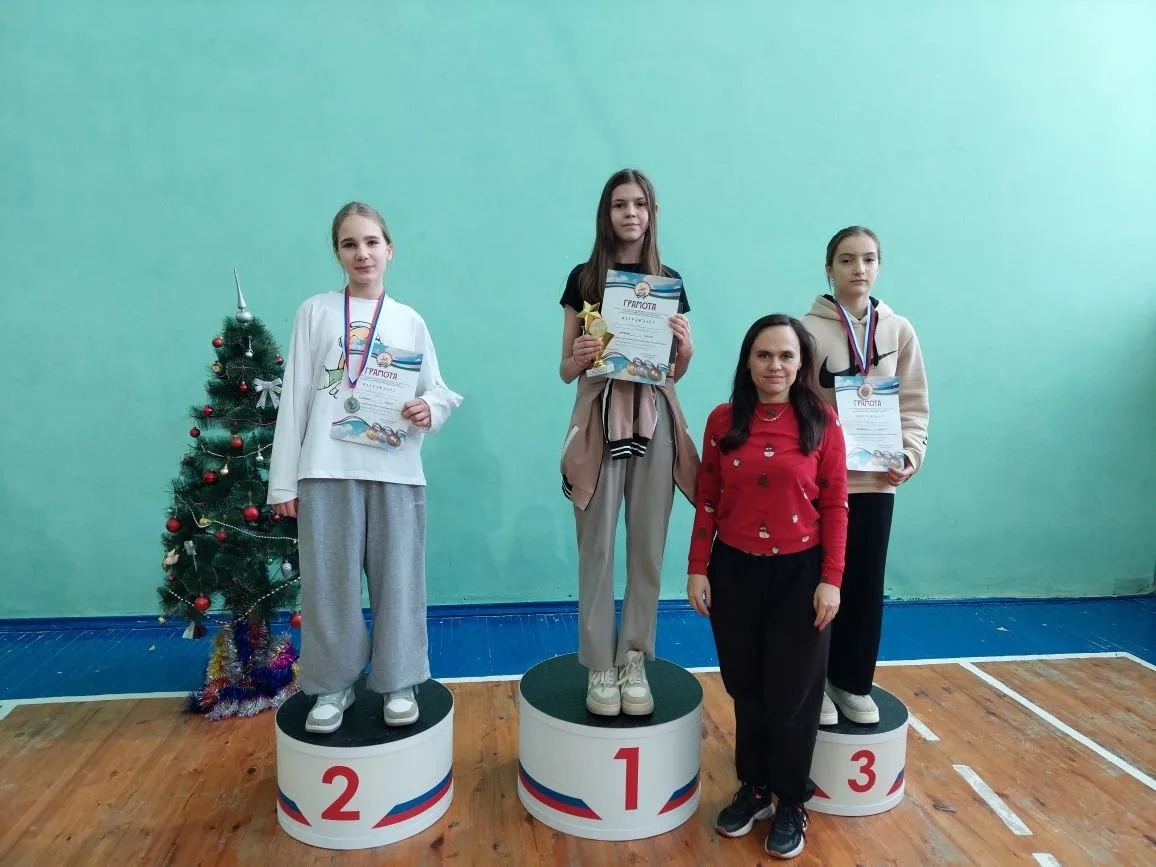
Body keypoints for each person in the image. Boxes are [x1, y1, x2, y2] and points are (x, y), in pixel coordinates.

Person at [268, 202, 462, 734]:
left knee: (400, 581)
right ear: (337, 253)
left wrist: (429, 409)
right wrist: (283, 481)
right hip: (325, 469)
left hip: (395, 472)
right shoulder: (315, 312)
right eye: (350, 244)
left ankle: (399, 681)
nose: (362, 253)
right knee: (328, 584)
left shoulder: (409, 320)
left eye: (372, 242)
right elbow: (295, 396)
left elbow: (438, 391)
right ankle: (332, 685)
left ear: (389, 249)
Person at [687, 314, 847, 859]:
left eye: (785, 356)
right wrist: (698, 566)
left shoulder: (822, 421)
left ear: (801, 364)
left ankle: (792, 800)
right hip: (734, 572)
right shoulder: (722, 420)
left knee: (792, 695)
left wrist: (831, 580)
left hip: (800, 577)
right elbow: (708, 497)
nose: (774, 366)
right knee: (746, 687)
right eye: (764, 355)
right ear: (748, 361)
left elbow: (836, 505)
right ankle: (754, 788)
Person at [559, 168, 699, 716]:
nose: (630, 213)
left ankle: (634, 658)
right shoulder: (584, 279)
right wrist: (580, 356)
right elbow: (565, 369)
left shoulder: (669, 281)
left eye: (639, 204)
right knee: (596, 547)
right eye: (620, 204)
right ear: (607, 212)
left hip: (654, 421)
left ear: (652, 211)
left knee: (648, 545)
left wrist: (686, 349)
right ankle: (599, 664)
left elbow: (671, 372)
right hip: (598, 419)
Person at [803, 226, 929, 726]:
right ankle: (812, 680)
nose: (859, 268)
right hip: (819, 485)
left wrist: (909, 454)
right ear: (828, 268)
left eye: (869, 259)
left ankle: (851, 680)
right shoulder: (805, 331)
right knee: (814, 585)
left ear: (879, 266)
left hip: (875, 482)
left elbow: (914, 403)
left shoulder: (899, 330)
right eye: (847, 259)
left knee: (864, 584)